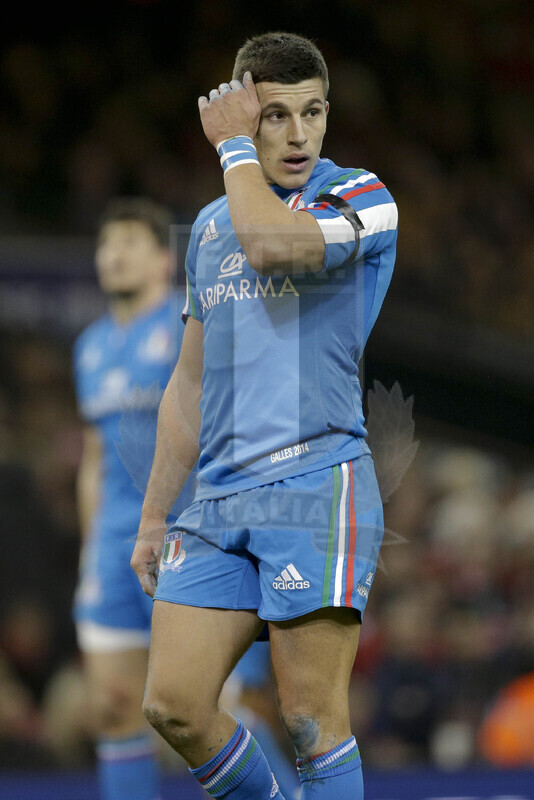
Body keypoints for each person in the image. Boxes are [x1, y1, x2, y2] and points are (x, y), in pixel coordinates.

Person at [131, 31, 398, 800]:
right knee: (175, 706)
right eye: (274, 115)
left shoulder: (360, 197)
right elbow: (188, 385)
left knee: (311, 720)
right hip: (217, 501)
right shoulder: (209, 230)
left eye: (312, 113)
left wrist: (233, 153)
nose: (299, 134)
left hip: (317, 484)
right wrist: (155, 516)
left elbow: (274, 245)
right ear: (249, 117)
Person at [73, 197, 194, 800]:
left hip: (191, 537)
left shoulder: (189, 321)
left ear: (161, 259)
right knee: (114, 706)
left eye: (128, 243)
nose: (113, 255)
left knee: (204, 712)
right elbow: (95, 459)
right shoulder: (89, 347)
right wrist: (89, 548)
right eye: (105, 245)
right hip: (112, 547)